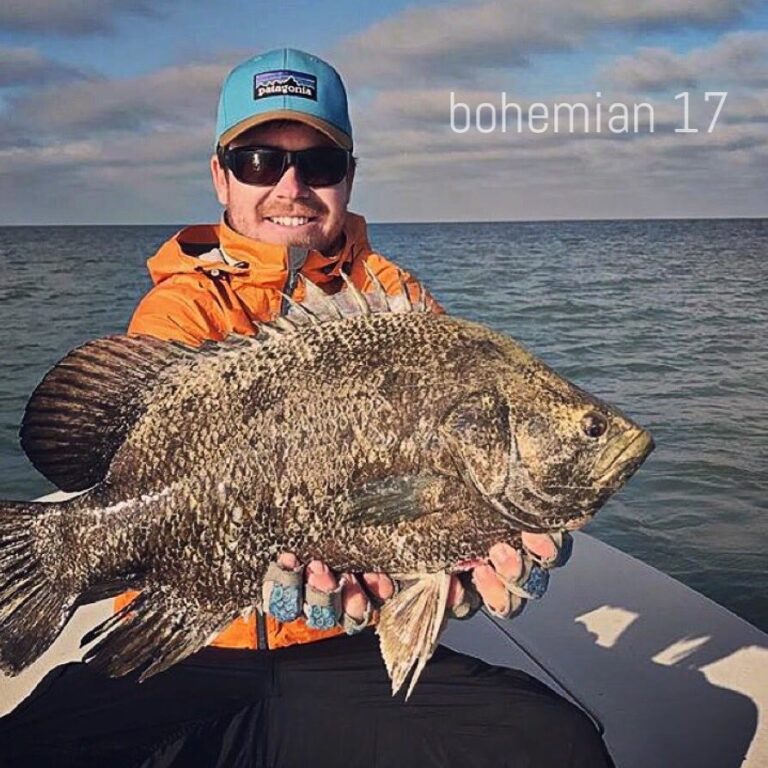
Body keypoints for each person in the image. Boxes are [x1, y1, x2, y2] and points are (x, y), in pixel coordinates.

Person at [0, 49, 616, 767]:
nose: (291, 185)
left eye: (319, 163)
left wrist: (460, 573)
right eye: (260, 160)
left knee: (557, 747)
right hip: (193, 650)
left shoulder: (402, 306)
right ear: (220, 175)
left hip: (343, 651)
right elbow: (148, 471)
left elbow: (418, 519)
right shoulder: (181, 306)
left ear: (348, 176)